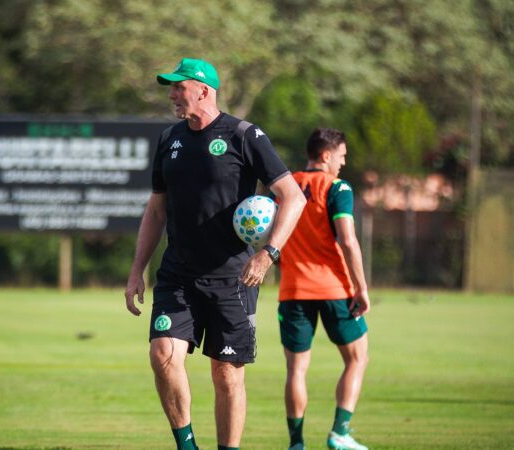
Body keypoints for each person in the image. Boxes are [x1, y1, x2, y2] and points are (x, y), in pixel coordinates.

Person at [124, 57, 306, 450]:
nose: (172, 95)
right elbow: (156, 209)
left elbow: (293, 197)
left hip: (234, 275)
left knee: (227, 375)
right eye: (171, 88)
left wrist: (268, 253)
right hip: (178, 272)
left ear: (203, 90)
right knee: (162, 356)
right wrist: (137, 268)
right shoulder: (169, 139)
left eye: (178, 87)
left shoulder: (244, 135)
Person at [276, 128, 371, 450]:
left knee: (296, 370)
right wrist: (361, 287)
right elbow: (347, 239)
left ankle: (296, 444)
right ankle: (340, 433)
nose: (343, 163)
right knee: (357, 357)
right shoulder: (337, 187)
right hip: (334, 288)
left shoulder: (284, 186)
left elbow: (269, 233)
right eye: (342, 156)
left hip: (293, 290)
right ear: (326, 155)